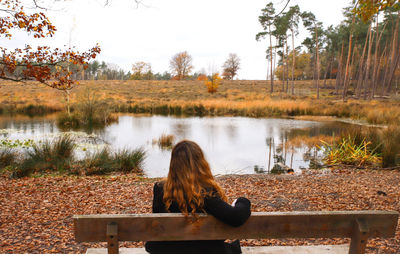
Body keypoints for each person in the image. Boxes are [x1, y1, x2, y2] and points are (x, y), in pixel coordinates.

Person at [145, 140, 251, 254]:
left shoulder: (160, 189)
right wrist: (242, 201)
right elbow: (236, 217)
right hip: (204, 249)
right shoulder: (205, 193)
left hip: (167, 250)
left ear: (173, 164)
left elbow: (159, 219)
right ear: (200, 163)